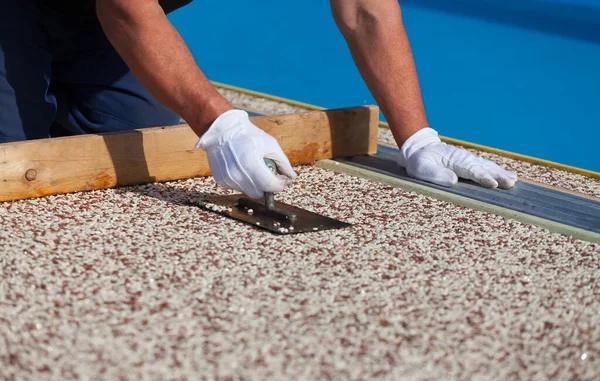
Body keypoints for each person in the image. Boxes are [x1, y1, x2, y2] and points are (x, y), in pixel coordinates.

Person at [0, 0, 517, 199]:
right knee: (13, 168)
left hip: (92, 24)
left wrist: (417, 138)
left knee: (144, 148)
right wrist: (221, 125)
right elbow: (124, 8)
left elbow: (365, 9)